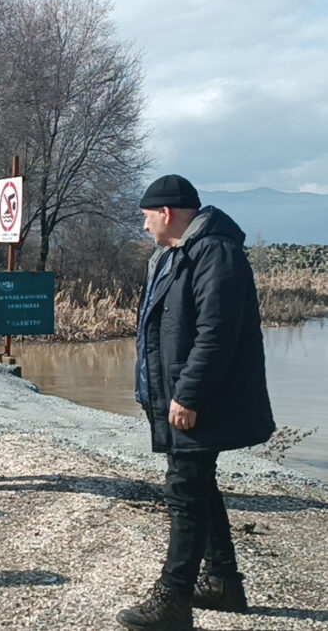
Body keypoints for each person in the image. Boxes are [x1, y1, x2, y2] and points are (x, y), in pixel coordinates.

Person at [116, 175, 275, 631]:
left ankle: (173, 599)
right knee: (198, 487)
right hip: (185, 394)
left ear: (166, 213)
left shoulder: (215, 253)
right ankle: (223, 582)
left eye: (146, 217)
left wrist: (188, 394)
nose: (144, 226)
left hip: (202, 399)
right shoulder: (180, 253)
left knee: (184, 493)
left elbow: (216, 334)